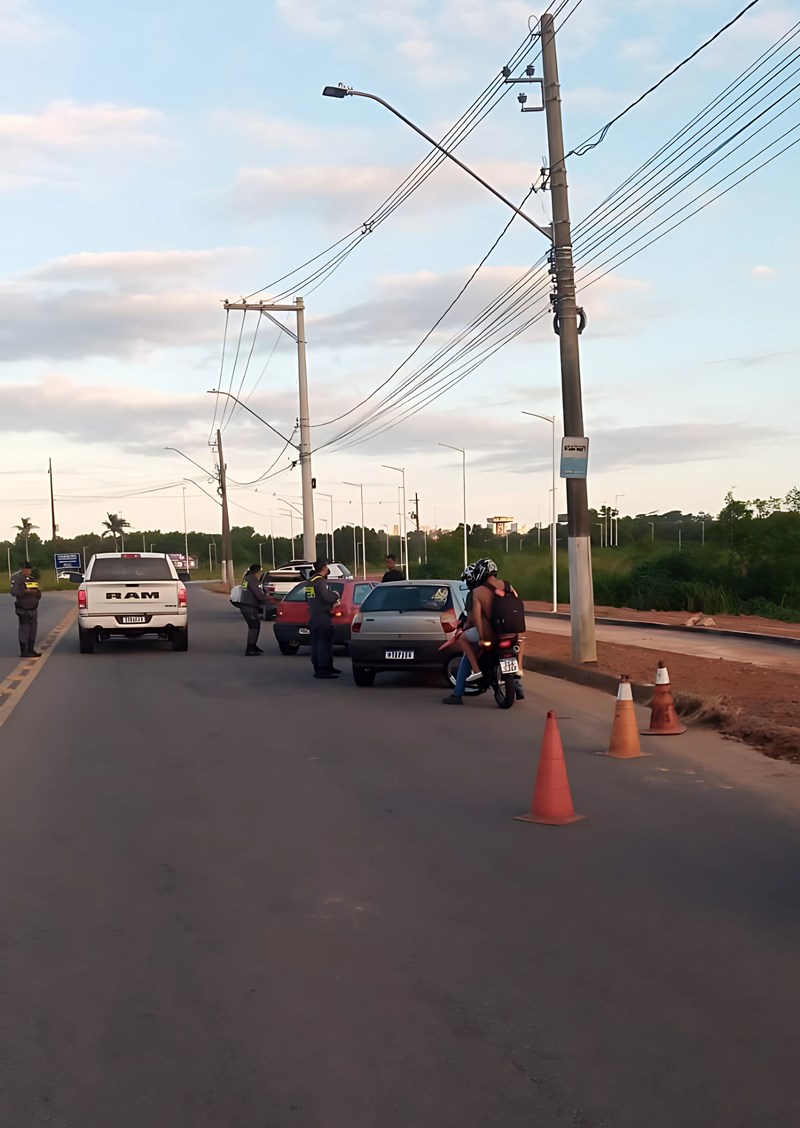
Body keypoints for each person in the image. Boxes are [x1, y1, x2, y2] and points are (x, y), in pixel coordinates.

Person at [443, 558, 525, 704]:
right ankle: (518, 676)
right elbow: (518, 605)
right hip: (510, 631)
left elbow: (475, 620)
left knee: (466, 643)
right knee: (517, 645)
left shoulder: (476, 593)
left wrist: (480, 637)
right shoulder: (507, 586)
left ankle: (464, 685)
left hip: (489, 634)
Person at [305, 561, 340, 679]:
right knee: (324, 644)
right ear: (324, 568)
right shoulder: (320, 581)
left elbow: (308, 599)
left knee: (316, 643)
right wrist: (335, 595)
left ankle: (322, 666)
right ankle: (323, 668)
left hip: (314, 616)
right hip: (322, 617)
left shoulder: (310, 582)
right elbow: (326, 597)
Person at [10, 561, 42, 658]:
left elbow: (38, 592)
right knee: (24, 630)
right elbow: (13, 592)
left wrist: (36, 594)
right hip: (23, 608)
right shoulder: (16, 579)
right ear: (22, 569)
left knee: (33, 630)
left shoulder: (32, 579)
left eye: (29, 570)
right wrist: (24, 591)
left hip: (33, 608)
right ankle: (24, 650)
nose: (27, 572)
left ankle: (30, 649)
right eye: (26, 570)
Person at [239, 563, 266, 656]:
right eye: (260, 571)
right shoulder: (253, 580)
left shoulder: (246, 578)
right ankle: (250, 648)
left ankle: (253, 645)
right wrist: (265, 601)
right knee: (254, 626)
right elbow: (258, 594)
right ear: (257, 571)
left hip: (245, 605)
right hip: (250, 606)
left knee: (254, 626)